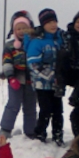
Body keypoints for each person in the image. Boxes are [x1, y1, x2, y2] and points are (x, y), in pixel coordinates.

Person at [24, 8, 65, 145]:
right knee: (46, 110)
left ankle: (58, 134)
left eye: (54, 21)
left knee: (58, 110)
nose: (53, 25)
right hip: (41, 83)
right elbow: (33, 64)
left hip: (56, 83)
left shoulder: (59, 40)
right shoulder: (37, 41)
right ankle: (40, 133)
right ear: (43, 25)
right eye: (49, 22)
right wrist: (51, 75)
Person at [0, 10, 37, 140]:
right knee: (13, 105)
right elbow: (6, 62)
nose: (21, 31)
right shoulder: (10, 46)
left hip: (31, 81)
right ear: (14, 30)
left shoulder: (34, 43)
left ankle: (31, 131)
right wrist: (10, 77)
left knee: (30, 107)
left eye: (24, 28)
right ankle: (5, 129)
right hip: (15, 80)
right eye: (18, 28)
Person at [57, 9, 79, 96]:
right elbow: (54, 33)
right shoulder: (66, 35)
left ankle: (75, 94)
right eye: (78, 22)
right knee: (62, 54)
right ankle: (60, 86)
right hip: (68, 69)